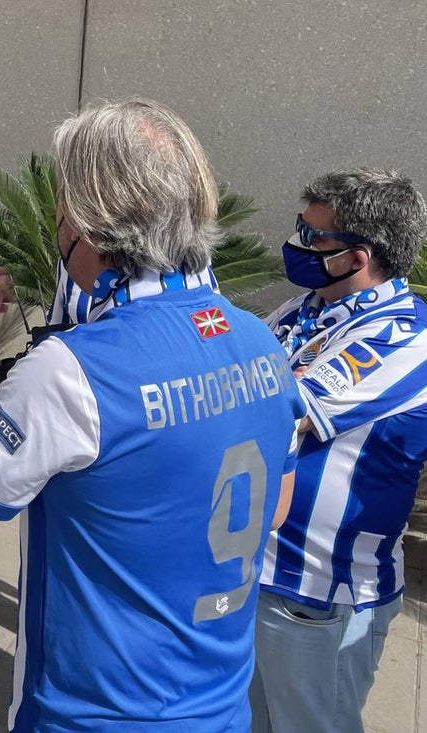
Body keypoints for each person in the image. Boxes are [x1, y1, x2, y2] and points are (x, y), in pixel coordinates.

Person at [0, 99, 306, 731]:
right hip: (220, 708)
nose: (57, 219)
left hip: (91, 715)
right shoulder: (264, 343)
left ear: (92, 225)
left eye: (63, 204)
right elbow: (276, 510)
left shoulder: (75, 370)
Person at [250, 169, 427, 733]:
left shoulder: (404, 334)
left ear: (359, 256)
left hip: (318, 594)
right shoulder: (306, 308)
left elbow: (281, 408)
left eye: (314, 235)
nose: (299, 243)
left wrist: (267, 382)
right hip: (262, 572)